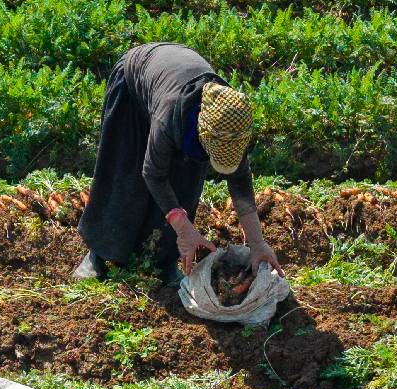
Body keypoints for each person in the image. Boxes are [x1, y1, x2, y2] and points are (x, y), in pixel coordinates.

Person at [74, 43, 281, 286]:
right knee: (125, 176)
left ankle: (164, 262)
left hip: (174, 85)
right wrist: (184, 229)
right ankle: (98, 254)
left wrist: (257, 243)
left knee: (186, 185)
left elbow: (240, 182)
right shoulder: (169, 115)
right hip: (134, 84)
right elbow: (152, 173)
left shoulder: (232, 123)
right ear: (203, 133)